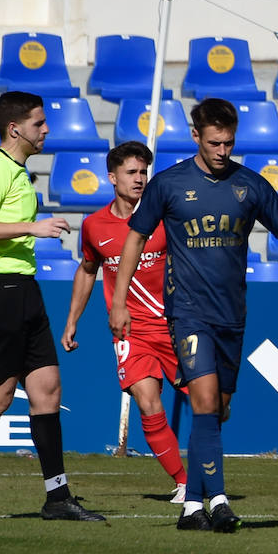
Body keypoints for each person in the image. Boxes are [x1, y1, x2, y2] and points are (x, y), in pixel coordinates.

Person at [109, 98, 278, 533]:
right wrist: (119, 300)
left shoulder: (251, 186)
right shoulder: (168, 184)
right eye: (214, 142)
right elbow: (134, 239)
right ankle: (214, 501)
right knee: (202, 401)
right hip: (187, 313)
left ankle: (191, 510)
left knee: (219, 409)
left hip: (232, 316)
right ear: (196, 137)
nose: (223, 151)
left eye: (229, 142)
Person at [62, 141, 187, 503]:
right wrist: (73, 320)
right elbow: (87, 271)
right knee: (147, 401)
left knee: (212, 403)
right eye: (131, 172)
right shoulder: (94, 225)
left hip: (175, 325)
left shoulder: (164, 218)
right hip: (132, 332)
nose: (139, 179)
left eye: (143, 172)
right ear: (112, 177)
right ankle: (183, 481)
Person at [0, 91, 104, 521]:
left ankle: (57, 498)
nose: (46, 130)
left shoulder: (22, 173)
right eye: (39, 123)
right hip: (2, 290)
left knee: (46, 390)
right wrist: (33, 227)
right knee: (3, 394)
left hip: (25, 290)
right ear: (15, 129)